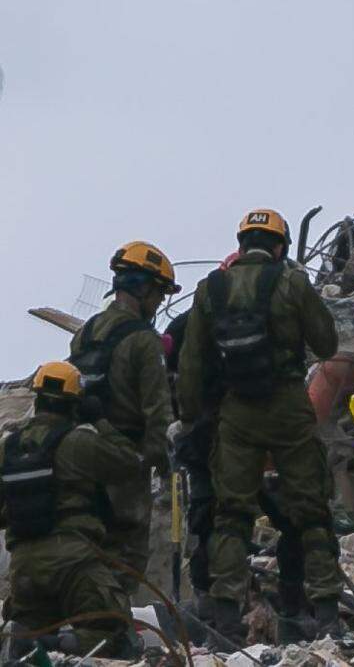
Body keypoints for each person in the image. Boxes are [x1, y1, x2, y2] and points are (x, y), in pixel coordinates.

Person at [177, 209, 343, 644]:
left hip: (237, 414)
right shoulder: (290, 282)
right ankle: (326, 612)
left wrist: (192, 419)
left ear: (241, 241)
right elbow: (327, 343)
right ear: (280, 246)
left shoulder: (210, 289)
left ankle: (226, 618)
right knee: (310, 512)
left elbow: (192, 363)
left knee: (231, 515)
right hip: (288, 405)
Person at [165, 298, 305, 634]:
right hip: (251, 439)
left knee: (216, 522)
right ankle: (293, 611)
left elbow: (174, 384)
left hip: (205, 441)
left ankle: (218, 613)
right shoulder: (268, 316)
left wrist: (183, 423)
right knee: (289, 519)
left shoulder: (187, 325)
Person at [0, 361, 144, 658]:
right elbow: (129, 463)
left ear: (38, 399)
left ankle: (27, 643)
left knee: (28, 650)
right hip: (74, 560)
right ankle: (51, 645)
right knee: (113, 634)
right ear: (75, 405)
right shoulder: (77, 442)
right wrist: (101, 421)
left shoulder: (9, 448)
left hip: (23, 568)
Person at [70, 241, 179, 592]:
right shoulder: (144, 340)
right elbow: (157, 412)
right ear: (143, 287)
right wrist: (161, 464)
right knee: (127, 553)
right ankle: (113, 629)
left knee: (89, 545)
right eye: (159, 294)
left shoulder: (86, 332)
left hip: (81, 455)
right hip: (126, 458)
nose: (159, 303)